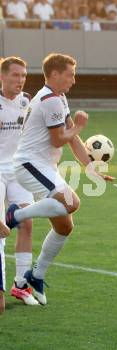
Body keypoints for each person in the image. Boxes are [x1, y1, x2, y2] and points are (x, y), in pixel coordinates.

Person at [5, 53, 114, 305]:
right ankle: (15, 215)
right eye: (70, 74)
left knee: (65, 226)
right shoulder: (49, 100)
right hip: (29, 164)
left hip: (45, 166)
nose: (73, 80)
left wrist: (90, 167)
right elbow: (60, 139)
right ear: (54, 74)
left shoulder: (58, 97)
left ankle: (34, 275)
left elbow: (72, 139)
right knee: (71, 202)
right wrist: (78, 126)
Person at [0, 57, 40, 307]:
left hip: (18, 170)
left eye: (23, 75)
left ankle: (21, 286)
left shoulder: (28, 101)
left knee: (26, 223)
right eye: (15, 75)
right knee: (0, 232)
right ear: (2, 77)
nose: (20, 80)